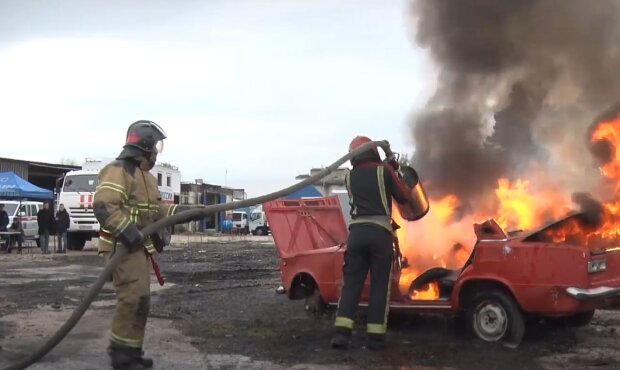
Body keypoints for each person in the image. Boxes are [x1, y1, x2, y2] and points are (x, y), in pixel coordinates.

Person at [94, 120, 199, 369]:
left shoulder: (148, 178)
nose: (156, 152)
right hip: (122, 247)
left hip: (138, 249)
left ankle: (132, 352)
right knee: (132, 299)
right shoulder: (118, 170)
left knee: (142, 301)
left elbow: (157, 210)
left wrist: (187, 211)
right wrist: (129, 233)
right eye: (156, 146)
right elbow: (104, 205)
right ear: (146, 145)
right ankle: (120, 357)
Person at [331, 136, 412, 350]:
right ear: (373, 151)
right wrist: (393, 169)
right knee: (379, 286)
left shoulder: (349, 177)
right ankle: (375, 337)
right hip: (379, 235)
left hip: (356, 235)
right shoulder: (383, 171)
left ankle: (341, 334)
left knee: (352, 284)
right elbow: (404, 195)